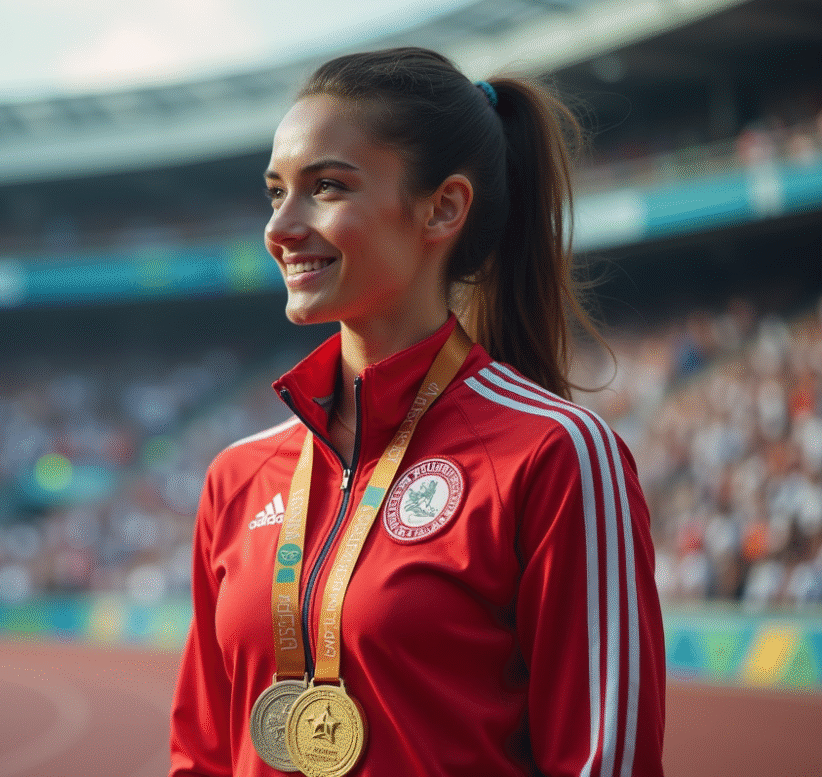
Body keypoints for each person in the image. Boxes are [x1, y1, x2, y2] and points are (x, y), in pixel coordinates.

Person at [169, 47, 666, 777]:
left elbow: (604, 763)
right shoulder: (238, 476)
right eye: (276, 193)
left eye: (327, 187)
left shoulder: (556, 454)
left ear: (443, 208)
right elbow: (203, 757)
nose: (281, 227)